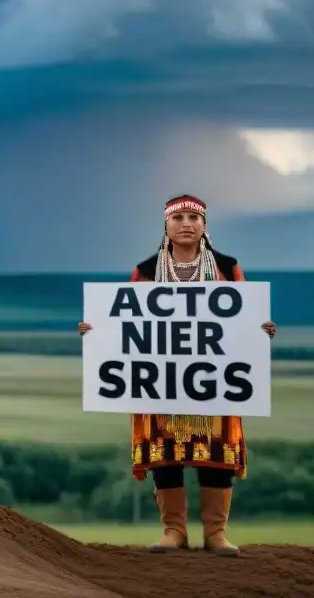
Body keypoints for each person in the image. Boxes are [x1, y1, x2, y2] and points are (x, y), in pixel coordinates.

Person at [77, 194, 276, 557]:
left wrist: (260, 329)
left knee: (216, 453)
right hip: (161, 379)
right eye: (178, 217)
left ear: (204, 226)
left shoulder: (227, 269)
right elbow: (128, 323)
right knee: (165, 454)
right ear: (166, 226)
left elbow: (245, 318)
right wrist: (97, 330)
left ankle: (216, 534)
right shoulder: (147, 270)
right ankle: (174, 531)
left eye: (193, 218)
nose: (186, 223)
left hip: (213, 378)